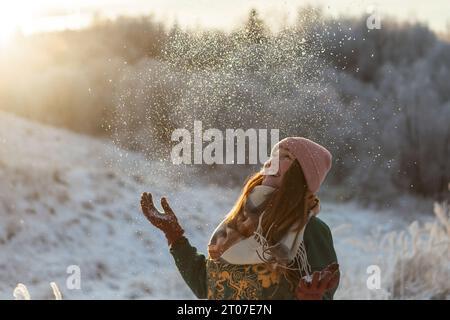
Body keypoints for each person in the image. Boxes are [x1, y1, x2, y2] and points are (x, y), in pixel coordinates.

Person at [140, 137, 340, 299]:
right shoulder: (237, 222)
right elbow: (208, 288)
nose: (272, 160)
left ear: (301, 175)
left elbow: (323, 294)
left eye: (286, 156)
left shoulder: (310, 230)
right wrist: (175, 238)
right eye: (273, 155)